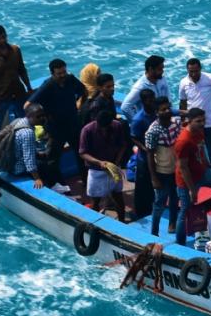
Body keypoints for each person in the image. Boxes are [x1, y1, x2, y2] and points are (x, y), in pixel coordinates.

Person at [28, 59, 86, 183]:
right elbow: (28, 104)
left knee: (81, 155)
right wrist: (44, 118)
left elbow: (82, 90)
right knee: (53, 160)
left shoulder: (70, 79)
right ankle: (58, 184)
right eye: (59, 73)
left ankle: (86, 182)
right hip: (56, 129)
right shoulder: (48, 86)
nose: (63, 75)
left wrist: (78, 105)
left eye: (64, 72)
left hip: (73, 125)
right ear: (52, 74)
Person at [176, 108, 211, 228]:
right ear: (189, 121)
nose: (202, 123)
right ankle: (180, 236)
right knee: (185, 209)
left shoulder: (200, 131)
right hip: (188, 180)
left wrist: (207, 164)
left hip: (203, 171)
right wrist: (192, 190)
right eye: (198, 121)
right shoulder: (183, 141)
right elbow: (183, 167)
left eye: (203, 120)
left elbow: (201, 148)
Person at [0, 24, 32, 151]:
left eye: (4, 37)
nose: (2, 40)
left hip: (18, 92)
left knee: (24, 119)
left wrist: (28, 87)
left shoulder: (15, 50)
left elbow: (22, 69)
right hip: (1, 96)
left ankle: (24, 144)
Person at [176, 57, 211, 170]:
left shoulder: (210, 78)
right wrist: (182, 121)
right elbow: (183, 102)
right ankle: (198, 174)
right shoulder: (183, 83)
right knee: (194, 151)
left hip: (209, 122)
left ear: (200, 68)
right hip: (193, 124)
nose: (194, 74)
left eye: (196, 71)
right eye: (191, 71)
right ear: (187, 70)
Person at [144, 97, 185, 243]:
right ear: (157, 112)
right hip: (161, 172)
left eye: (168, 108)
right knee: (159, 202)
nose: (167, 111)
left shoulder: (176, 123)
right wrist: (154, 178)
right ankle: (154, 231)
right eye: (163, 109)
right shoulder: (152, 131)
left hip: (176, 170)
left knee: (175, 198)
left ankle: (172, 224)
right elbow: (150, 155)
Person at [79, 105, 130, 220]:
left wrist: (115, 163)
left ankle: (122, 221)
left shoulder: (117, 126)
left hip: (113, 168)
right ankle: (95, 223)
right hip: (96, 171)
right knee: (95, 201)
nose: (104, 129)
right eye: (102, 127)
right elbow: (82, 153)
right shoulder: (87, 130)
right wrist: (99, 163)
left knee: (118, 196)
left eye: (107, 127)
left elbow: (123, 146)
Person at [0, 103, 50, 189]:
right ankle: (50, 186)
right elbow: (29, 159)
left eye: (43, 115)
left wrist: (37, 154)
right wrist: (37, 178)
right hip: (18, 169)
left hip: (10, 164)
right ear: (29, 116)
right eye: (38, 116)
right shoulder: (28, 133)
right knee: (46, 165)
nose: (42, 118)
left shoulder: (18, 121)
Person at [127, 89, 159, 222]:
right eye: (150, 100)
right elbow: (133, 137)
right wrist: (144, 148)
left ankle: (151, 208)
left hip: (157, 155)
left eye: (153, 99)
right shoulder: (138, 119)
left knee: (152, 185)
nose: (153, 102)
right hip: (144, 158)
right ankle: (139, 212)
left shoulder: (156, 112)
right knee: (142, 186)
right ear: (144, 102)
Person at [120, 54, 170, 121]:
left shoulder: (162, 79)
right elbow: (125, 107)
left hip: (163, 117)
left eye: (162, 68)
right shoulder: (140, 87)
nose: (162, 71)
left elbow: (168, 99)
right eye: (159, 69)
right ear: (151, 69)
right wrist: (137, 121)